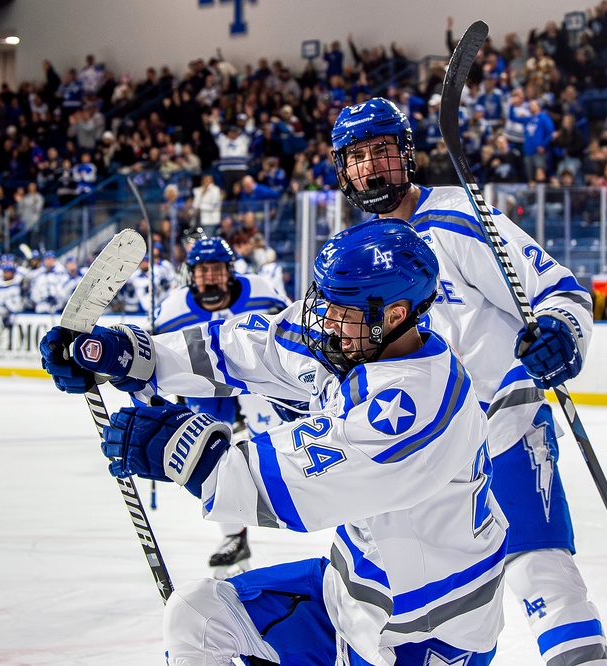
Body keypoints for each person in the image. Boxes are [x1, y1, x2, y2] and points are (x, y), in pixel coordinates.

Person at [39, 221, 509, 665]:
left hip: (425, 626)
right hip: (354, 587)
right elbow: (248, 345)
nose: (324, 320)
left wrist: (185, 450)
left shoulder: (417, 402)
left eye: (340, 310)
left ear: (395, 315)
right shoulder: (356, 339)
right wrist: (134, 355)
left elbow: (297, 483)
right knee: (198, 616)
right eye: (325, 302)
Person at [329, 98, 607, 665]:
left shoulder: (459, 217)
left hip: (502, 432)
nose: (369, 166)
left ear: (407, 155)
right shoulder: (355, 254)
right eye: (356, 155)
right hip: (420, 458)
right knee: (414, 613)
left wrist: (559, 331)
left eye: (381, 149)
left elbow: (561, 291)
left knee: (540, 574)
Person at [153, 237, 291, 578]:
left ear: (229, 271)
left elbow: (293, 331)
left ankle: (295, 490)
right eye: (203, 271)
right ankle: (234, 537)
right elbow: (160, 359)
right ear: (192, 276)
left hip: (260, 384)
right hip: (206, 389)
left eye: (216, 269)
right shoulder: (173, 308)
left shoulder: (260, 290)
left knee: (279, 446)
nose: (210, 277)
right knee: (206, 456)